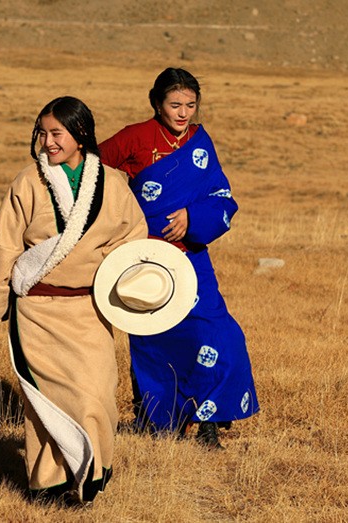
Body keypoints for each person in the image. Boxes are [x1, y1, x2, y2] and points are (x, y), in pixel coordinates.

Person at [0, 96, 147, 505]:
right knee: (45, 403)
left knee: (97, 395)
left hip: (90, 311)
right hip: (37, 312)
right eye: (42, 133)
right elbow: (1, 247)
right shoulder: (27, 182)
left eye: (57, 133)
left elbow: (133, 239)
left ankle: (90, 473)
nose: (48, 141)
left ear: (81, 135)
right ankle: (50, 485)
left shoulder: (113, 184)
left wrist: (118, 275)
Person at [99, 67, 259, 449]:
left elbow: (221, 197)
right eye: (175, 105)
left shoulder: (200, 143)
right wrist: (120, 214)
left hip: (191, 257)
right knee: (156, 343)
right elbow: (92, 170)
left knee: (220, 335)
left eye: (190, 104)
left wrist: (192, 218)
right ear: (157, 103)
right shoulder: (134, 137)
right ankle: (157, 419)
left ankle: (209, 421)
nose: (183, 113)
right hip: (145, 260)